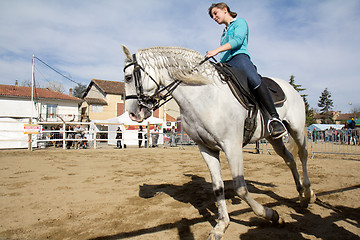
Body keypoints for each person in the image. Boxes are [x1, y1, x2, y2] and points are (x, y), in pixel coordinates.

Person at [206, 2, 287, 139]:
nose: (214, 17)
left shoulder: (240, 23)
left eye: (215, 13)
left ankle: (275, 119)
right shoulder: (224, 31)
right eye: (212, 16)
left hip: (239, 58)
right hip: (225, 63)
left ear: (225, 10)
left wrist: (216, 50)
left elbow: (237, 41)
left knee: (254, 79)